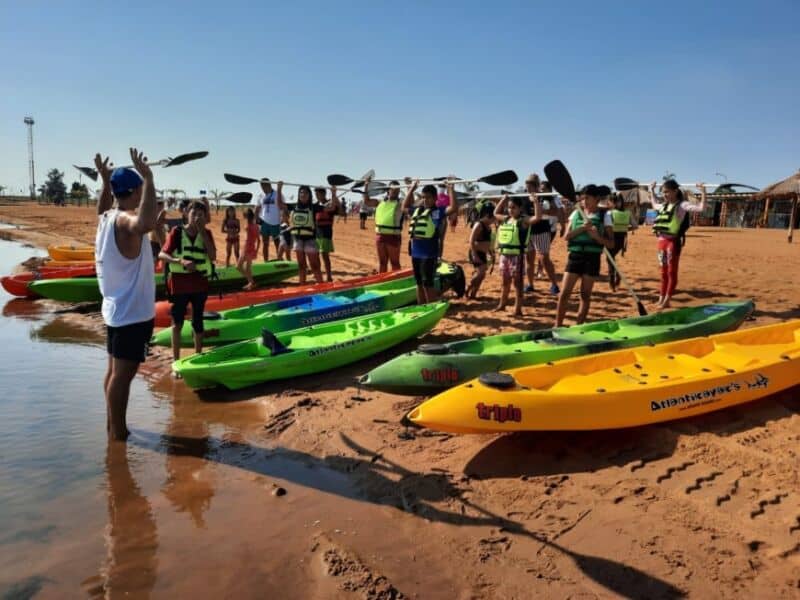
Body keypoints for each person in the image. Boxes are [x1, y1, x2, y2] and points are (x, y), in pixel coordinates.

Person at [94, 148, 157, 441]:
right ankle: (118, 434)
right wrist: (150, 177)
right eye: (141, 191)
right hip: (131, 312)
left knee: (114, 372)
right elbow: (145, 224)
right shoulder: (121, 221)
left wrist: (105, 182)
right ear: (134, 192)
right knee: (123, 375)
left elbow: (103, 206)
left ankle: (112, 427)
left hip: (117, 308)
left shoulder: (106, 216)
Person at [159, 200, 217, 363]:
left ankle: (198, 358)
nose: (197, 217)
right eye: (194, 214)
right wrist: (180, 261)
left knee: (198, 322)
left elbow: (212, 257)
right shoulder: (176, 232)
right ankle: (176, 361)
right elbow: (162, 255)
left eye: (201, 214)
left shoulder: (207, 233)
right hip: (179, 285)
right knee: (177, 324)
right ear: (186, 214)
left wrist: (202, 233)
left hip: (199, 284)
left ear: (205, 217)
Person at [555, 185, 613, 327]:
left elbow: (611, 244)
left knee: (585, 295)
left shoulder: (605, 216)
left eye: (587, 198)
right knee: (564, 294)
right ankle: (557, 325)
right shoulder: (576, 214)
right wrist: (583, 228)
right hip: (575, 256)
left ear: (596, 198)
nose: (584, 201)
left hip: (592, 259)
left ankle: (579, 326)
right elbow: (566, 236)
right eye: (582, 198)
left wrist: (597, 237)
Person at [649, 179, 707, 308]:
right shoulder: (663, 205)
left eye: (667, 192)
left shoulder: (682, 205)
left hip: (673, 243)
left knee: (671, 272)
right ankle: (661, 298)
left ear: (675, 191)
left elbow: (701, 208)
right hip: (661, 243)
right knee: (663, 273)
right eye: (663, 192)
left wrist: (703, 192)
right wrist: (651, 190)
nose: (665, 195)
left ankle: (667, 300)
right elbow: (653, 204)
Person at [403, 179, 457, 304]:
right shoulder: (417, 210)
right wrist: (411, 188)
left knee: (428, 284)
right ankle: (421, 306)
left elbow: (453, 208)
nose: (425, 200)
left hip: (429, 254)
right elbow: (404, 207)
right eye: (423, 197)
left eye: (428, 197)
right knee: (419, 283)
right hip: (416, 253)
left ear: (434, 198)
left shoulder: (438, 212)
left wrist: (450, 189)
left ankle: (431, 307)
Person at [494, 194, 543, 316]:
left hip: (517, 257)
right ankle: (502, 304)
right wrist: (503, 200)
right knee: (505, 282)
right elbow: (495, 213)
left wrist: (535, 202)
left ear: (520, 208)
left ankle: (518, 308)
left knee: (517, 284)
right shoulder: (506, 219)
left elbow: (537, 218)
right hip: (504, 256)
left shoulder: (523, 220)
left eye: (514, 207)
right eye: (509, 207)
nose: (511, 210)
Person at [521, 174, 561, 296]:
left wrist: (539, 208)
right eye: (526, 187)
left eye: (530, 187)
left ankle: (554, 284)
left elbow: (555, 211)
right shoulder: (523, 197)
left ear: (536, 186)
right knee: (529, 260)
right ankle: (531, 284)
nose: (528, 190)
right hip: (528, 231)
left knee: (544, 258)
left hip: (542, 230)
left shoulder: (544, 196)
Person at [290, 183, 337, 284]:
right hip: (298, 240)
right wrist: (279, 189)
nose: (303, 195)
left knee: (315, 266)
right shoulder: (294, 206)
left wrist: (333, 193)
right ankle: (302, 287)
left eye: (306, 193)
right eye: (301, 193)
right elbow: (280, 204)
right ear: (299, 195)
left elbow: (332, 208)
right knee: (301, 266)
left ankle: (321, 287)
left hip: (310, 240)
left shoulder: (314, 207)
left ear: (309, 195)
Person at [362, 177, 404, 272]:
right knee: (382, 262)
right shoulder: (379, 202)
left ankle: (397, 283)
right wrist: (366, 186)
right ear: (388, 190)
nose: (396, 191)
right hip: (380, 236)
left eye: (398, 189)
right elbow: (366, 201)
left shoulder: (400, 203)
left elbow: (410, 203)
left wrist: (410, 187)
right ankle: (383, 282)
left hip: (393, 236)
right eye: (393, 189)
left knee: (395, 263)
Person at [465, 201, 495, 299]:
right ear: (487, 215)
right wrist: (474, 255)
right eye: (492, 217)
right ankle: (468, 287)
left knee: (482, 275)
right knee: (480, 273)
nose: (493, 220)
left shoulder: (488, 226)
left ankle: (473, 294)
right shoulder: (479, 224)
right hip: (476, 252)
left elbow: (487, 241)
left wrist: (491, 252)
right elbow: (471, 240)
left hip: (483, 253)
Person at [607, 193, 636, 292]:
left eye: (610, 201)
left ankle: (613, 282)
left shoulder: (610, 213)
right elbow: (635, 226)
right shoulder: (628, 212)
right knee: (611, 258)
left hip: (611, 238)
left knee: (610, 259)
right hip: (621, 239)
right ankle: (616, 277)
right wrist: (624, 229)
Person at [313, 186, 340, 282]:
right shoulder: (315, 205)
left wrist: (334, 194)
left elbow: (336, 208)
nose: (317, 196)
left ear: (323, 194)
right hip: (316, 232)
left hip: (326, 233)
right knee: (316, 255)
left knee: (325, 255)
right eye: (316, 194)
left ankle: (329, 276)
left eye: (318, 194)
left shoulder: (330, 204)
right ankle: (319, 273)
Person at [256, 179, 285, 261]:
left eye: (264, 186)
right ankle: (266, 261)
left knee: (277, 243)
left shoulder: (277, 194)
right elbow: (257, 208)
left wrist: (283, 218)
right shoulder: (261, 195)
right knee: (265, 243)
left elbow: (282, 206)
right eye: (261, 186)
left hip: (275, 222)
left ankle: (280, 259)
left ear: (269, 185)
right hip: (264, 222)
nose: (262, 188)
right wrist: (256, 219)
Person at [237, 207, 260, 289]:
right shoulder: (256, 226)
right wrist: (256, 250)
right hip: (252, 248)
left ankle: (251, 282)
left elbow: (247, 239)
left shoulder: (248, 226)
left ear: (246, 217)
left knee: (239, 267)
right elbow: (258, 240)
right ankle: (251, 283)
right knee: (248, 269)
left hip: (246, 248)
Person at [149, 199, 168, 264]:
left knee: (161, 263)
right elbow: (157, 224)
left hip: (161, 243)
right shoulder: (152, 215)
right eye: (160, 204)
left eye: (162, 205)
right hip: (154, 243)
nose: (162, 207)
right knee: (155, 263)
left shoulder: (163, 215)